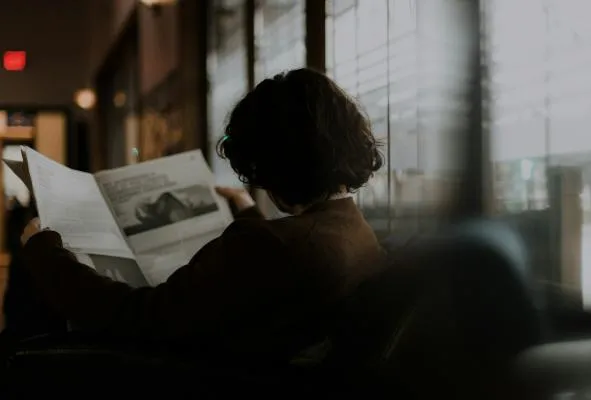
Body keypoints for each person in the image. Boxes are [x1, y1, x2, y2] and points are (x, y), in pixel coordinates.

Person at [12, 68, 385, 363]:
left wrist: (43, 250)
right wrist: (246, 210)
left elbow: (136, 316)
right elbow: (270, 266)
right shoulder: (353, 231)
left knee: (30, 272)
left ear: (268, 162)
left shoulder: (267, 246)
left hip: (183, 375)